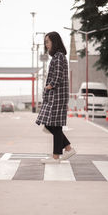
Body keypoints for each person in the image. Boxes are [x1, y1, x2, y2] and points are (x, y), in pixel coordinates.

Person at [35, 31, 76, 163]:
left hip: (57, 95)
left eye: (48, 41)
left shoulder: (58, 57)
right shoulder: (59, 56)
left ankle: (56, 156)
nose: (46, 45)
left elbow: (58, 76)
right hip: (56, 95)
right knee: (52, 125)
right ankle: (68, 149)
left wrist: (49, 86)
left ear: (55, 41)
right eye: (45, 42)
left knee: (53, 125)